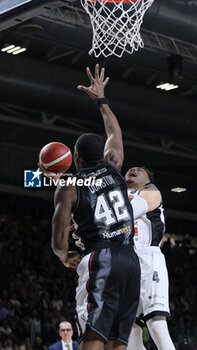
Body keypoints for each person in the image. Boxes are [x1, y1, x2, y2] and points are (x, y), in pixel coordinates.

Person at [48, 65, 140, 350]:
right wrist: (101, 100)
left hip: (102, 258)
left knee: (93, 335)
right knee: (117, 341)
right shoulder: (114, 165)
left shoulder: (70, 185)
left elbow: (59, 241)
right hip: (131, 260)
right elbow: (115, 132)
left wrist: (64, 256)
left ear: (75, 157)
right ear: (101, 154)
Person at [124, 167, 175, 350]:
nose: (134, 169)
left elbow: (124, 213)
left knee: (157, 326)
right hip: (125, 262)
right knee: (129, 333)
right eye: (131, 168)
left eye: (141, 170)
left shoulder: (150, 190)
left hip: (148, 258)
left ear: (147, 180)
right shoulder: (117, 195)